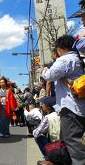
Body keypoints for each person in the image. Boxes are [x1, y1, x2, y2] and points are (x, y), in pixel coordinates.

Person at [42, 35, 85, 165]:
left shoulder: (65, 59)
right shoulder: (79, 58)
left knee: (73, 139)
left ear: (60, 48)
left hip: (70, 107)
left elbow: (50, 75)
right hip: (80, 104)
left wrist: (44, 70)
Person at [34, 97, 61, 165]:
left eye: (42, 104)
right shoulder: (60, 113)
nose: (41, 106)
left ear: (48, 108)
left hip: (57, 146)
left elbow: (36, 134)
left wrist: (34, 130)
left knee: (39, 137)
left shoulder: (48, 117)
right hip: (65, 144)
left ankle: (49, 159)